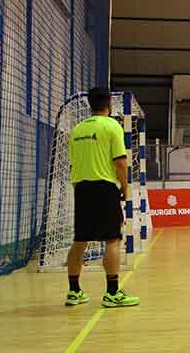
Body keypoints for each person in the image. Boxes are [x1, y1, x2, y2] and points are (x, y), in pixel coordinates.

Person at [66, 88, 140, 308]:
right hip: (104, 188)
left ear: (90, 104)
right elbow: (120, 162)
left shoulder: (77, 130)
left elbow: (73, 164)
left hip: (81, 189)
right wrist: (125, 188)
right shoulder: (111, 126)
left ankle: (74, 291)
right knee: (112, 240)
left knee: (80, 240)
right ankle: (112, 292)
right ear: (109, 104)